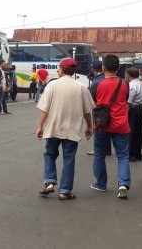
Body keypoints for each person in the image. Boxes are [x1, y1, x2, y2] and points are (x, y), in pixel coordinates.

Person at [36, 58, 95, 200]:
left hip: (53, 129)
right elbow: (87, 111)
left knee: (49, 155)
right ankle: (64, 191)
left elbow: (44, 109)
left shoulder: (52, 85)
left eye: (58, 68)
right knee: (69, 159)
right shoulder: (81, 87)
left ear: (62, 69)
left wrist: (40, 127)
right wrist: (89, 127)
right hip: (71, 130)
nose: (57, 70)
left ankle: (49, 183)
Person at [90, 54, 131, 199]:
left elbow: (93, 102)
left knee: (99, 154)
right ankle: (123, 184)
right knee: (123, 155)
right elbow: (125, 100)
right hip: (121, 125)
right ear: (118, 68)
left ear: (103, 67)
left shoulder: (96, 84)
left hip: (102, 124)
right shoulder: (125, 84)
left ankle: (100, 184)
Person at [87, 60, 112, 156]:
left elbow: (91, 97)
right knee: (108, 127)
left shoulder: (96, 81)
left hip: (99, 108)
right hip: (110, 106)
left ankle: (98, 150)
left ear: (93, 69)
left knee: (99, 128)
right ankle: (107, 149)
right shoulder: (106, 77)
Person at [126, 67, 142, 162]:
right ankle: (138, 153)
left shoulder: (131, 85)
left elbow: (129, 102)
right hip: (140, 109)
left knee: (131, 132)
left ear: (129, 75)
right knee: (139, 132)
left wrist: (125, 113)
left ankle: (131, 154)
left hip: (133, 109)